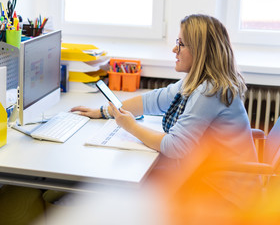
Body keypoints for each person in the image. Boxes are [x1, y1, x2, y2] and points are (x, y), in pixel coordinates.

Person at [71, 14, 261, 212]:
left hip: (227, 197)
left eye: (181, 44)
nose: (174, 49)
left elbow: (175, 146)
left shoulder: (209, 91)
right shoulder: (197, 82)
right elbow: (153, 100)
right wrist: (103, 111)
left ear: (201, 51)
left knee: (131, 194)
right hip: (213, 178)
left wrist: (131, 126)